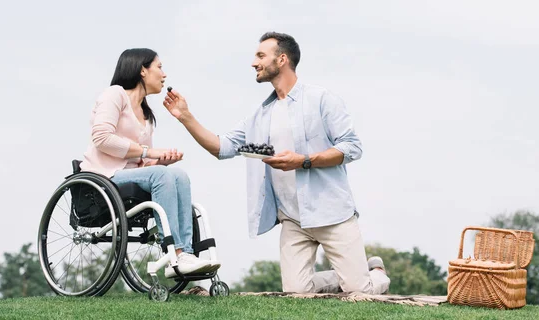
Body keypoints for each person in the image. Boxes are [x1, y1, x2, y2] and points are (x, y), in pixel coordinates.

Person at [163, 32, 390, 293]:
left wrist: (303, 161)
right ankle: (347, 276)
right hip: (293, 220)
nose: (253, 62)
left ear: (282, 59)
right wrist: (185, 117)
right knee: (296, 295)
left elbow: (351, 147)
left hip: (332, 215)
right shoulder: (260, 116)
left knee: (360, 292)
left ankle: (375, 273)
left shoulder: (320, 99)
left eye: (261, 55)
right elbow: (222, 147)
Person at [80, 48, 218, 275]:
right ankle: (175, 252)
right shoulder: (114, 95)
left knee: (178, 175)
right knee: (162, 175)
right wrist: (148, 153)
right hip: (105, 176)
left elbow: (143, 167)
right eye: (160, 67)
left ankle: (187, 253)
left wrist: (162, 161)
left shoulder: (147, 115)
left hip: (132, 177)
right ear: (143, 70)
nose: (164, 75)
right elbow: (102, 138)